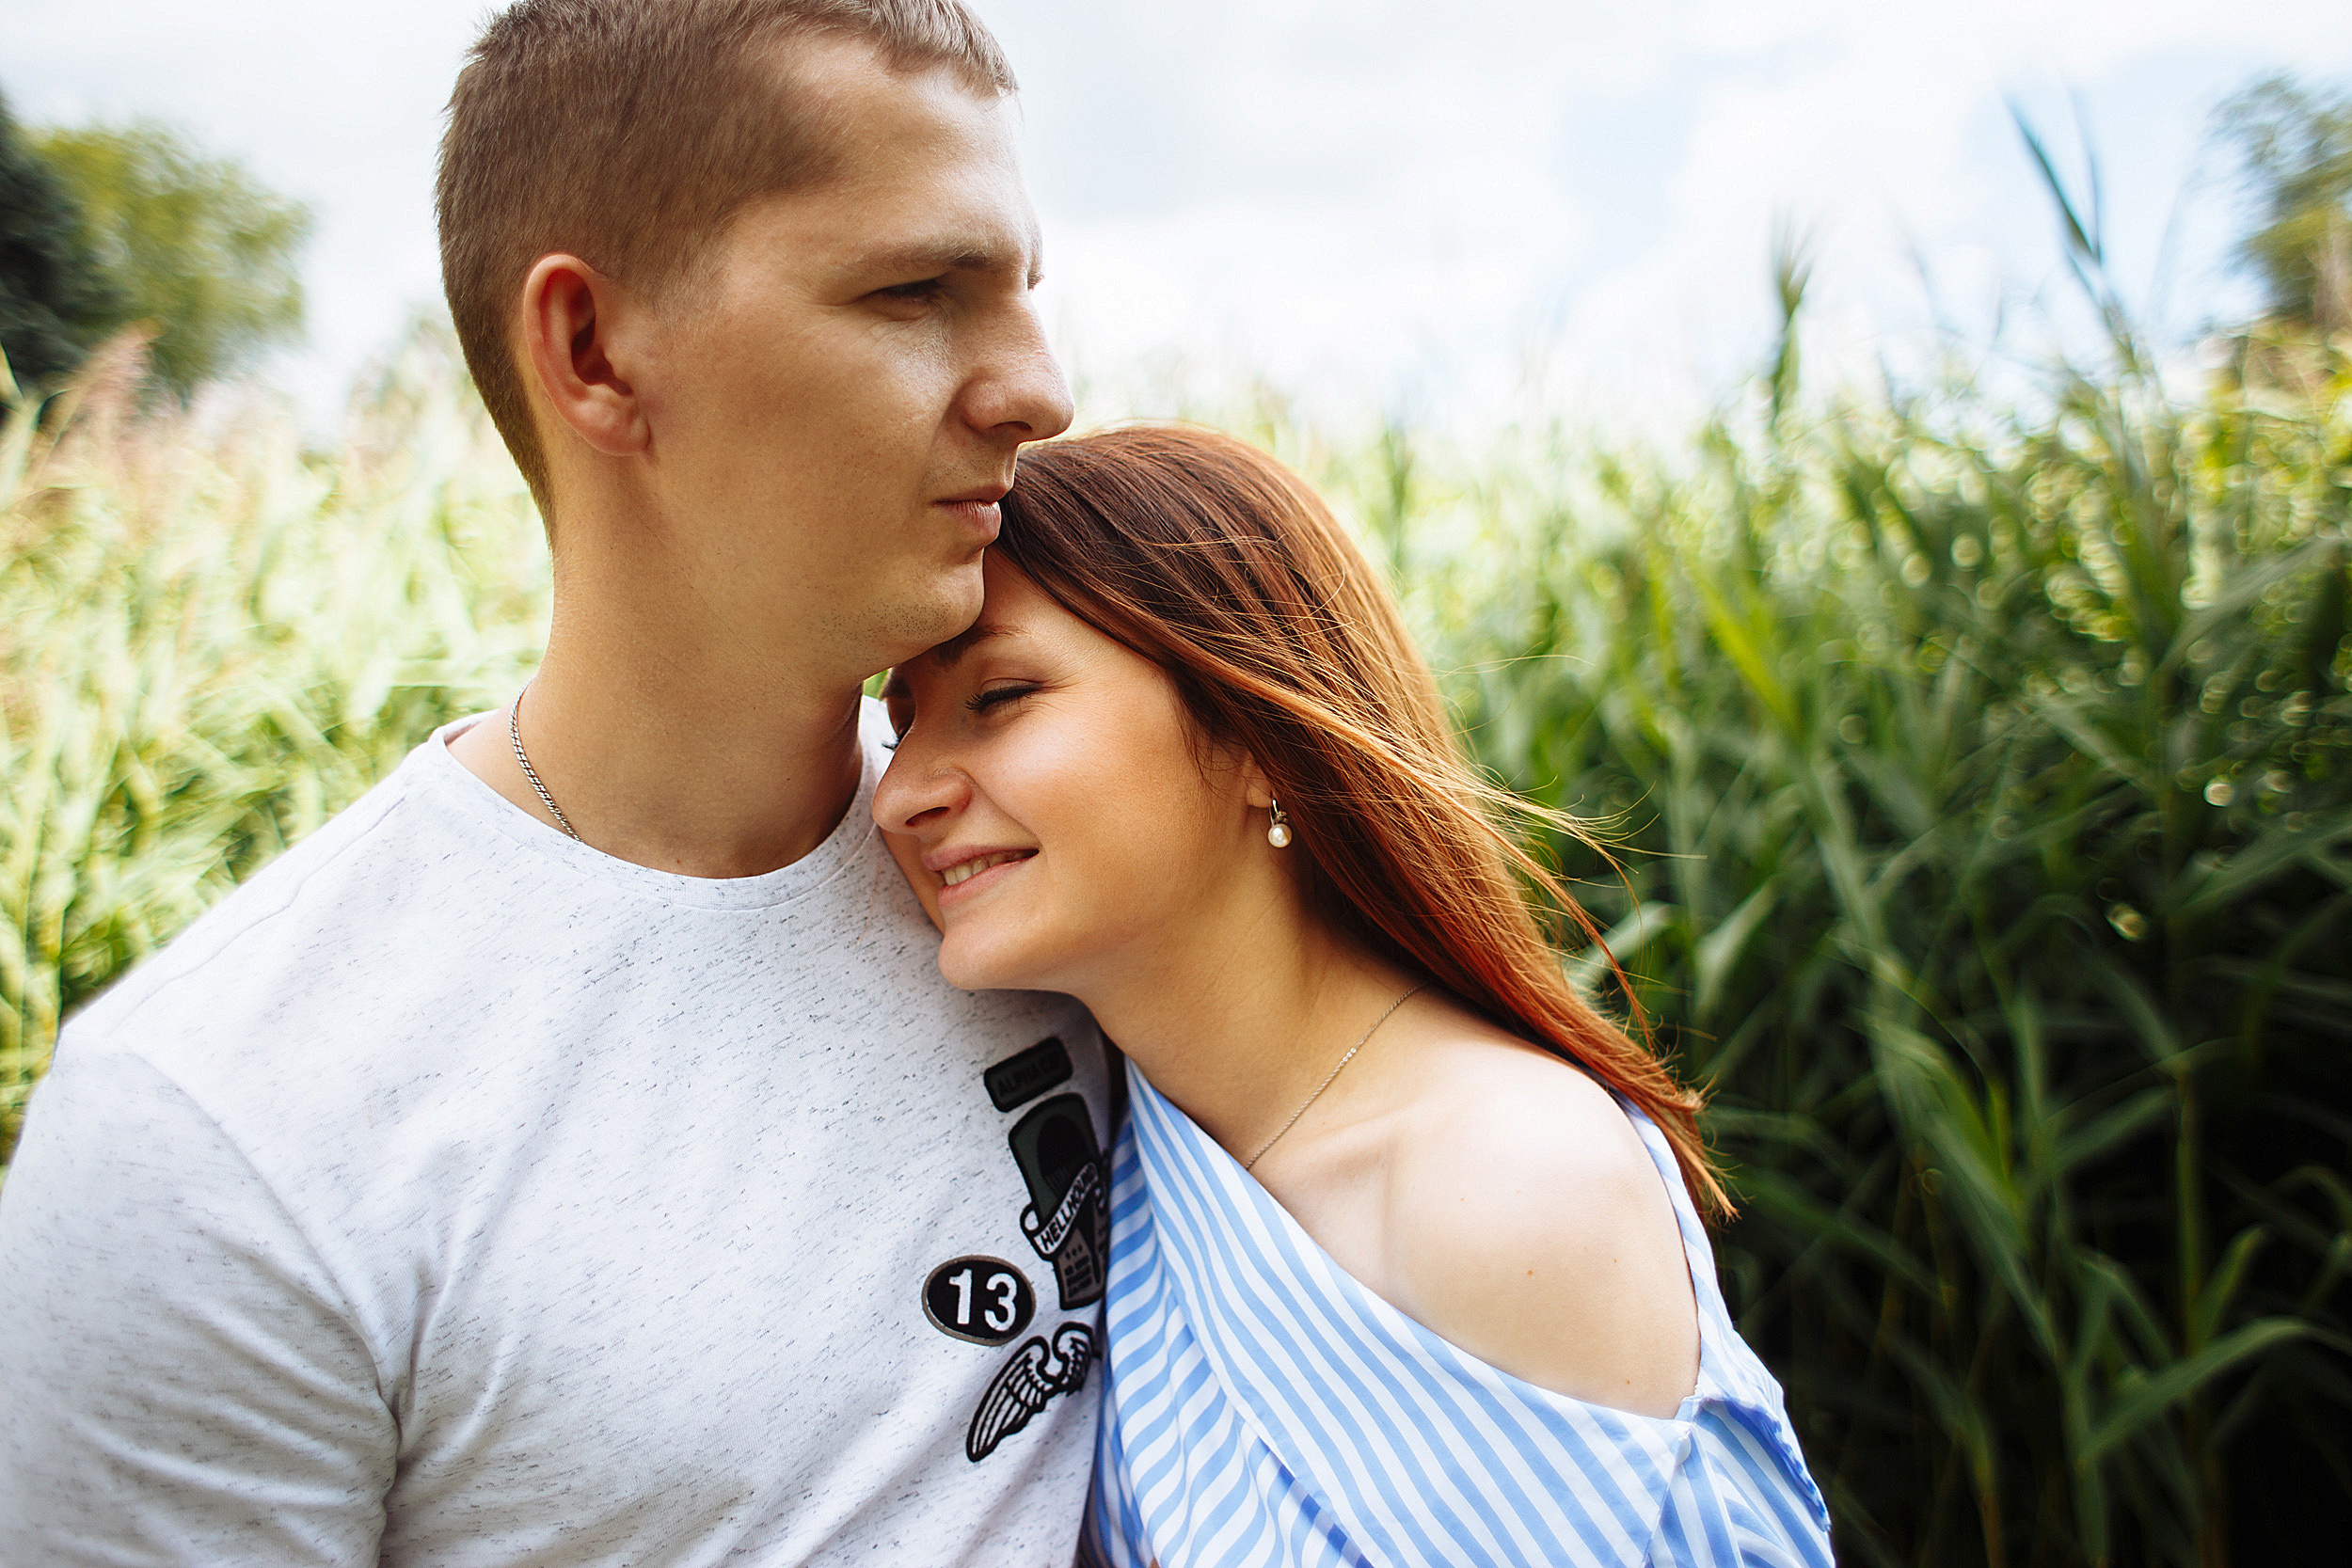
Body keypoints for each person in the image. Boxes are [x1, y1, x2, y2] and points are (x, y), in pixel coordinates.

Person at [0, 3, 1116, 1562]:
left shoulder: (1081, 874)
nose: (1037, 389)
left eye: (1024, 292)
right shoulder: (218, 1135)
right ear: (594, 352)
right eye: (916, 290)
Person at [873, 426, 1838, 1567]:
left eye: (999, 693)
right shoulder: (1115, 1152)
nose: (901, 795)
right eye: (902, 723)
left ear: (1255, 734)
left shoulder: (1504, 1183)